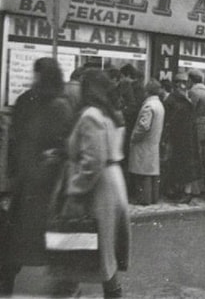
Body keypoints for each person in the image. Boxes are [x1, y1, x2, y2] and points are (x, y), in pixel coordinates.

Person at [0, 58, 75, 297]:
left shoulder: (59, 105)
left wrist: (50, 158)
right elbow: (15, 139)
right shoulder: (28, 100)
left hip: (46, 190)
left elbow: (64, 145)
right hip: (28, 187)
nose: (35, 79)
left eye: (39, 74)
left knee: (49, 247)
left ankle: (65, 290)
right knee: (13, 248)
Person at [53, 69, 130, 298]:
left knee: (76, 244)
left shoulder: (90, 116)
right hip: (112, 183)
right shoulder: (112, 114)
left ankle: (67, 292)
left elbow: (93, 160)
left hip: (96, 188)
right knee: (102, 252)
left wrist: (75, 188)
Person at [128, 79, 165, 205]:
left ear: (147, 91)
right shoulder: (159, 104)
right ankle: (153, 198)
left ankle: (144, 199)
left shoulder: (149, 106)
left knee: (143, 174)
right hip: (153, 143)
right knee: (151, 173)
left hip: (144, 143)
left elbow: (143, 126)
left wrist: (134, 137)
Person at [162, 72, 197, 203]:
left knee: (185, 165)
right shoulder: (178, 99)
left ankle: (185, 193)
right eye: (180, 83)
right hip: (181, 137)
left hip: (185, 137)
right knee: (180, 165)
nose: (183, 85)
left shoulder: (179, 99)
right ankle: (181, 191)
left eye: (184, 82)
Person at [188, 70, 205, 197]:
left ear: (191, 80)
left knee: (195, 157)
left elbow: (190, 110)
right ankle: (203, 186)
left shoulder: (193, 92)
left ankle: (195, 188)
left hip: (196, 127)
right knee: (203, 158)